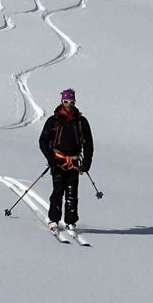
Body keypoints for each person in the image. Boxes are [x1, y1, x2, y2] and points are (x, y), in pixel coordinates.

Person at [37, 88, 93, 234]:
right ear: (62, 101)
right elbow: (43, 141)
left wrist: (86, 163)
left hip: (74, 162)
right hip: (58, 161)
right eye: (66, 101)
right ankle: (53, 220)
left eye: (71, 102)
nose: (69, 104)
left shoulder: (81, 122)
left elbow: (89, 144)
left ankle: (71, 221)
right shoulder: (53, 120)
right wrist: (51, 158)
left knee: (72, 192)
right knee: (58, 191)